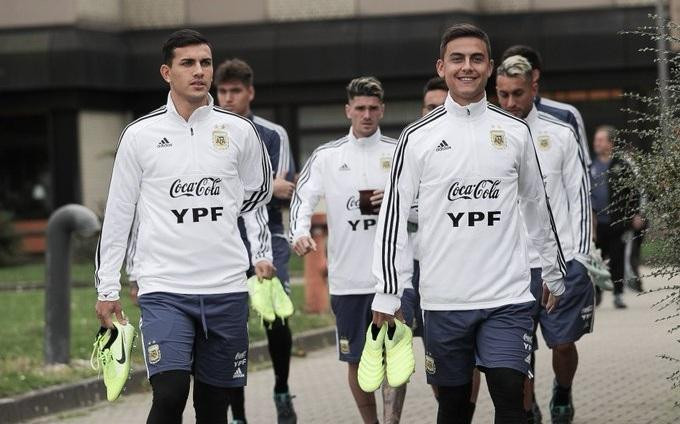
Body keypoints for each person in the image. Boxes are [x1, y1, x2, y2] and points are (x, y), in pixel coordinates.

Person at [370, 23, 567, 423]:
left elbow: (536, 203)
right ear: (441, 67)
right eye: (457, 59)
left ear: (490, 67)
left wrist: (553, 267)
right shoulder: (416, 137)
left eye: (477, 59)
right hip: (445, 301)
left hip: (507, 298)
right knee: (454, 406)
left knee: (511, 393)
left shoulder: (515, 131)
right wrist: (387, 291)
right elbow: (393, 216)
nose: (467, 67)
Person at [94, 29, 272, 424]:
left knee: (213, 408)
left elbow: (257, 190)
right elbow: (120, 214)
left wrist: (220, 209)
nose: (199, 71)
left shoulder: (241, 132)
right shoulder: (140, 135)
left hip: (226, 287)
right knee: (171, 393)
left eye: (205, 63)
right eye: (187, 63)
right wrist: (108, 287)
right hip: (165, 288)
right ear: (166, 72)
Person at [290, 76, 408, 424]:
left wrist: (396, 200)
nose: (367, 115)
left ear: (382, 109)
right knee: (358, 360)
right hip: (348, 279)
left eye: (373, 108)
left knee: (392, 357)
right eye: (360, 108)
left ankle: (392, 422)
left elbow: (422, 201)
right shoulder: (327, 156)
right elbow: (303, 197)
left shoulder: (399, 151)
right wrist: (299, 232)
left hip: (392, 277)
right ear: (348, 111)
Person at [496, 55, 594, 424]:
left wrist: (581, 257)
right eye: (502, 95)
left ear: (533, 88)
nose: (509, 103)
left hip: (561, 260)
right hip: (512, 267)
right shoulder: (492, 137)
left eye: (517, 94)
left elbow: (579, 198)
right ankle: (528, 408)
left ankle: (563, 390)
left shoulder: (561, 133)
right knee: (518, 352)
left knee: (563, 345)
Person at [214, 57, 297, 424]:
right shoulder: (208, 130)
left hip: (271, 235)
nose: (228, 98)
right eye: (223, 91)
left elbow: (284, 191)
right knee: (232, 325)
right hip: (226, 237)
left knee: (276, 317)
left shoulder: (272, 133)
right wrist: (263, 187)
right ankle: (238, 414)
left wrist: (261, 189)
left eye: (235, 91)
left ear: (250, 92)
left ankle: (281, 388)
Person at [500, 45, 592, 170]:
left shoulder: (566, 115)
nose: (510, 103)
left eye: (517, 68)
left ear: (534, 75)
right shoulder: (492, 122)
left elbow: (581, 175)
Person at [590, 125, 644, 308]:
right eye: (596, 140)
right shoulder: (590, 166)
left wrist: (636, 213)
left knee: (617, 258)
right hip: (596, 224)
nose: (596, 143)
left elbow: (634, 191)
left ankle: (618, 294)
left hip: (617, 222)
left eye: (600, 140)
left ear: (611, 143)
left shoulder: (621, 164)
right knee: (595, 260)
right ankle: (595, 294)